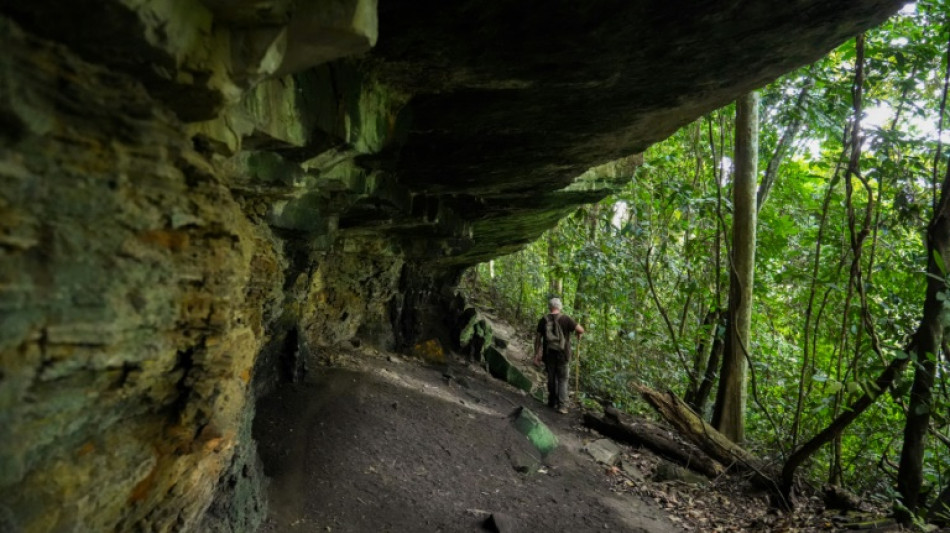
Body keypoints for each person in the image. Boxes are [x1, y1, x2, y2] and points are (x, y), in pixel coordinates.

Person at [533, 297, 584, 414]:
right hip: (563, 354)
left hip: (549, 354)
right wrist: (578, 333)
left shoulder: (544, 320)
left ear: (550, 307)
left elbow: (537, 338)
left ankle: (552, 401)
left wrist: (536, 353)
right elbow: (581, 330)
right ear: (559, 307)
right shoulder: (566, 319)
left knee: (551, 378)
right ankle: (563, 406)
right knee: (563, 379)